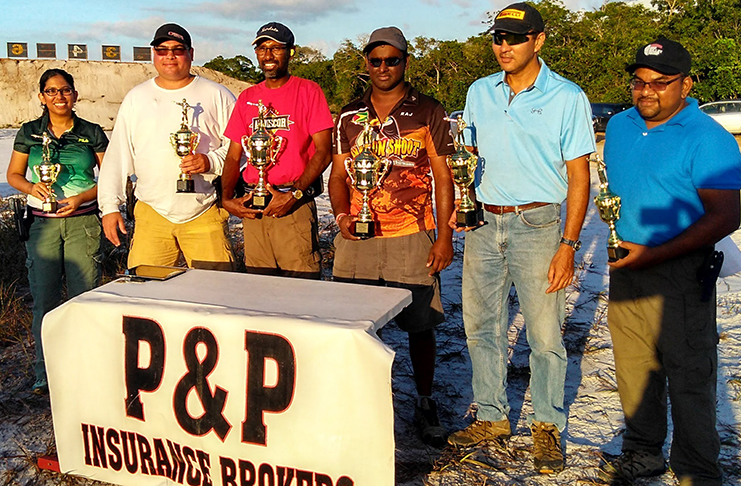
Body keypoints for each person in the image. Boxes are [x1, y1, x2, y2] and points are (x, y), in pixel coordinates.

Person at [445, 3, 595, 474]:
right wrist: (461, 202)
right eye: (498, 38)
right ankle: (491, 415)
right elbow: (467, 154)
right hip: (484, 224)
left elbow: (578, 175)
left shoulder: (567, 96)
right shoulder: (478, 91)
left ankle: (548, 425)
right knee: (480, 326)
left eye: (515, 38)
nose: (503, 47)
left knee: (545, 333)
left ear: (539, 40)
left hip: (539, 225)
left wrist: (569, 245)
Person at [598, 38, 741, 485]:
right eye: (639, 82)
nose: (647, 92)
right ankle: (643, 453)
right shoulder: (620, 125)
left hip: (681, 272)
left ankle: (698, 469)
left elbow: (727, 215)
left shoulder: (709, 139)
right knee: (634, 369)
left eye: (661, 83)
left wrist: (655, 254)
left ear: (686, 84)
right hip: (626, 266)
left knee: (689, 375)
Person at [330, 26, 455, 447]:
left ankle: (423, 400)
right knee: (356, 326)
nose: (383, 67)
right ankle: (360, 402)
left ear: (405, 61)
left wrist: (443, 237)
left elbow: (443, 175)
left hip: (410, 232)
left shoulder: (428, 111)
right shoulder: (348, 115)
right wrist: (342, 214)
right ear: (366, 63)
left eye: (392, 60)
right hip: (358, 238)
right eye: (375, 60)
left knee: (420, 324)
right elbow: (337, 175)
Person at [98, 23, 235, 270]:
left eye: (177, 49)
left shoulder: (218, 95)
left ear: (191, 53)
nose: (169, 56)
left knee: (216, 294)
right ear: (154, 55)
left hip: (205, 211)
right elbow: (119, 154)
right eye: (162, 50)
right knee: (145, 294)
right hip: (152, 212)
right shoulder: (137, 97)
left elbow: (241, 149)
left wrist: (211, 161)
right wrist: (109, 206)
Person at [7, 69, 108, 393]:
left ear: (75, 95)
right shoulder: (29, 132)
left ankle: (84, 369)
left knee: (84, 300)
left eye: (64, 90)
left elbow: (110, 176)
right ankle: (45, 374)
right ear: (41, 97)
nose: (58, 97)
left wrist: (81, 196)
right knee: (44, 303)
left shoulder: (91, 132)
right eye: (51, 91)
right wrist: (32, 188)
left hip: (83, 223)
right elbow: (13, 175)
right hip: (42, 227)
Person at [221, 22, 333, 279]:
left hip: (292, 205)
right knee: (260, 289)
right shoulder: (248, 97)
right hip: (254, 208)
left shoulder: (308, 91)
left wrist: (294, 195)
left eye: (275, 48)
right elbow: (233, 155)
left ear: (291, 52)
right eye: (262, 48)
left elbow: (324, 151)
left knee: (300, 288)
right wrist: (226, 199)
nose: (268, 55)